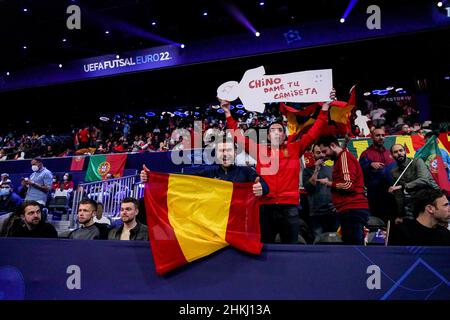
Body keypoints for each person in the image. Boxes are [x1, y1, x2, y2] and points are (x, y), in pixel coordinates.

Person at [219, 90, 335, 244]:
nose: (276, 133)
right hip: (266, 207)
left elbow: (314, 132)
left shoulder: (295, 148)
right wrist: (227, 112)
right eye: (272, 130)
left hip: (290, 208)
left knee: (291, 250)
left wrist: (325, 107)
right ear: (268, 136)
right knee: (265, 249)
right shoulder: (260, 151)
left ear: (284, 135)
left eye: (279, 130)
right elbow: (238, 138)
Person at [141, 139, 269, 197]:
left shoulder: (246, 171)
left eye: (228, 150)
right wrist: (153, 177)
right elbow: (182, 178)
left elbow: (264, 184)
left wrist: (261, 188)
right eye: (221, 151)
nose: (225, 154)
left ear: (235, 153)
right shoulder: (209, 172)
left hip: (238, 224)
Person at [316, 135, 369, 245]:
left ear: (332, 145)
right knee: (353, 248)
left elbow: (348, 185)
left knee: (353, 249)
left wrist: (329, 183)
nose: (323, 155)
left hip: (352, 209)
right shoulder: (341, 158)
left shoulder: (344, 157)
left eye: (324, 151)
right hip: (350, 208)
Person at [388, 144, 440, 223]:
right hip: (415, 202)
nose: (399, 153)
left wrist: (404, 186)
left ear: (405, 151)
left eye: (401, 150)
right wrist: (400, 215)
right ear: (391, 155)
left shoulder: (416, 161)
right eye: (395, 152)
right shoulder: (394, 171)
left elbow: (424, 180)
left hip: (433, 197)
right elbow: (399, 195)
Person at [359, 126, 396, 223]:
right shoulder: (366, 154)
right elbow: (359, 171)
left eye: (383, 135)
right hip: (376, 196)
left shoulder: (390, 153)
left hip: (391, 194)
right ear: (372, 137)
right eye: (378, 135)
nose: (381, 137)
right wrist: (370, 165)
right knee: (377, 223)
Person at [302, 144, 337, 242]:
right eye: (318, 153)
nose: (321, 155)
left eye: (323, 152)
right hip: (316, 213)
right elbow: (309, 188)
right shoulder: (307, 171)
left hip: (332, 212)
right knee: (318, 241)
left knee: (334, 241)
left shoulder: (332, 169)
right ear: (313, 154)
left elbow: (337, 187)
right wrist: (316, 170)